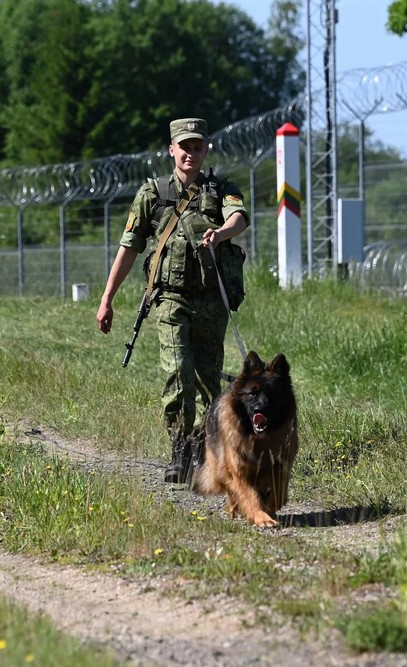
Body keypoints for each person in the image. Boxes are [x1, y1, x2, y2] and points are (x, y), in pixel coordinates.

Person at [96, 118, 249, 484]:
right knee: (177, 371)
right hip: (169, 300)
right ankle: (180, 449)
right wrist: (107, 299)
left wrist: (221, 233)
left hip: (212, 301)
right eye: (184, 147)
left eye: (197, 147)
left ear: (205, 150)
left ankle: (202, 448)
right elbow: (129, 247)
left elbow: (239, 219)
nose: (190, 154)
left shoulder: (222, 189)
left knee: (209, 381)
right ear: (171, 150)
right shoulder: (154, 194)